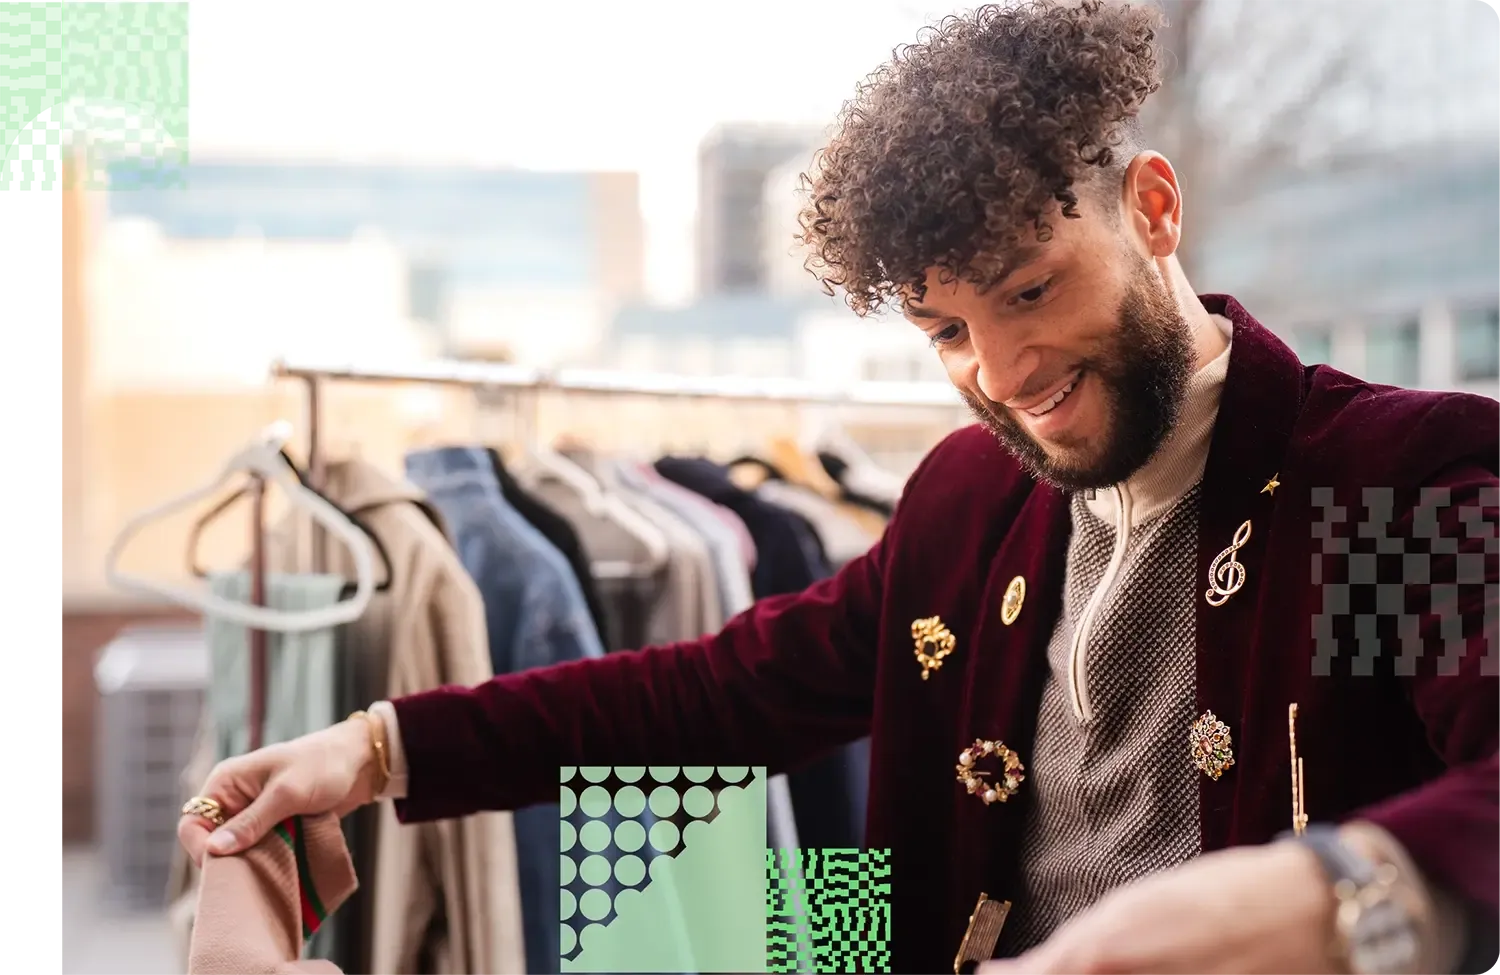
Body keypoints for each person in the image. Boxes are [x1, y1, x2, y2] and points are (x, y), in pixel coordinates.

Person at [179, 2, 1500, 972]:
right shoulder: (964, 504)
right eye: (945, 330)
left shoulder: (1390, 479)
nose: (1001, 369)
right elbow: (719, 691)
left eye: (1032, 290)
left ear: (1153, 208)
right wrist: (372, 747)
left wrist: (1323, 897)